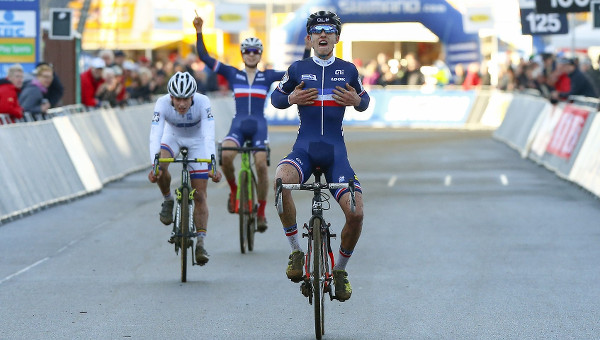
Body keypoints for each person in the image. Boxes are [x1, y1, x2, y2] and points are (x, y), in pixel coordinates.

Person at [270, 11, 370, 301]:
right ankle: (297, 253)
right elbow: (276, 98)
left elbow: (364, 101)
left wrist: (357, 101)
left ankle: (339, 271)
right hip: (304, 150)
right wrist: (290, 98)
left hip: (335, 154)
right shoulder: (299, 68)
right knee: (280, 181)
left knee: (357, 212)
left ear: (337, 37)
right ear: (309, 38)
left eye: (329, 30)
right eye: (317, 30)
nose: (323, 34)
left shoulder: (348, 69)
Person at [193, 15, 311, 233]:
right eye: (247, 51)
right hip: (237, 125)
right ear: (242, 54)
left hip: (258, 127)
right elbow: (204, 57)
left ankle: (261, 211)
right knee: (226, 157)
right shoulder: (232, 73)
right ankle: (234, 190)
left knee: (260, 165)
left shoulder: (267, 76)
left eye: (255, 51)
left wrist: (306, 48)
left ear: (260, 55)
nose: (251, 54)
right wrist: (199, 31)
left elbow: (297, 71)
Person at [148, 71, 222, 265]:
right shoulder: (162, 103)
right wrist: (154, 163)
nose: (181, 104)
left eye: (186, 99)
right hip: (172, 137)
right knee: (161, 166)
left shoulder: (203, 102)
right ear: (171, 97)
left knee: (199, 195)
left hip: (197, 140)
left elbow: (208, 134)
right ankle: (168, 200)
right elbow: (155, 134)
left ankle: (200, 243)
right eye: (177, 99)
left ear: (193, 97)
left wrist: (212, 162)